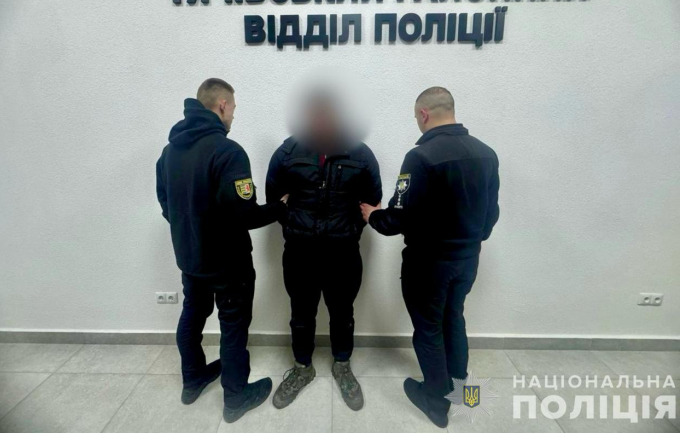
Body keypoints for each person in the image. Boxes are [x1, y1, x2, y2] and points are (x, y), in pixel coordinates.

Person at [360, 87, 499, 429]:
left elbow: (399, 218)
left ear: (423, 114)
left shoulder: (421, 157)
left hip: (429, 264)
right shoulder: (486, 153)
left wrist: (373, 216)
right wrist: (470, 242)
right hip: (467, 260)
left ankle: (436, 403)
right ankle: (462, 393)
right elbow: (491, 215)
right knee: (454, 319)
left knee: (428, 329)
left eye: (415, 117)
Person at [156, 78, 288, 423]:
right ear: (223, 105)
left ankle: (192, 379)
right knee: (233, 326)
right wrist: (279, 207)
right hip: (228, 264)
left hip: (190, 258)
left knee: (192, 315)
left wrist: (191, 232)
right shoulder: (228, 152)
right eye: (233, 110)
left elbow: (166, 204)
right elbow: (245, 214)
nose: (233, 117)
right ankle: (236, 397)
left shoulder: (169, 152)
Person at [265, 87, 382, 411]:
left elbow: (371, 201)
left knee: (343, 314)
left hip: (343, 254)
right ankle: (302, 367)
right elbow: (274, 199)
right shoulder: (287, 152)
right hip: (300, 253)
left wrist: (348, 230)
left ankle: (342, 365)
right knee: (301, 315)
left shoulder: (360, 155)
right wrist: (295, 224)